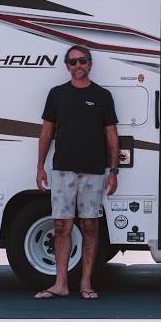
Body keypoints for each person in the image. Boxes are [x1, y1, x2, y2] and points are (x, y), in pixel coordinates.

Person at [34, 45, 119, 300]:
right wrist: (40, 166)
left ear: (90, 64)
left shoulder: (103, 96)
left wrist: (113, 171)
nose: (78, 65)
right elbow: (46, 133)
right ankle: (60, 283)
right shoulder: (57, 94)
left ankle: (85, 283)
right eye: (73, 62)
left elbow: (112, 137)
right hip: (62, 171)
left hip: (94, 172)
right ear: (67, 66)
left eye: (82, 61)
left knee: (90, 226)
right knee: (61, 226)